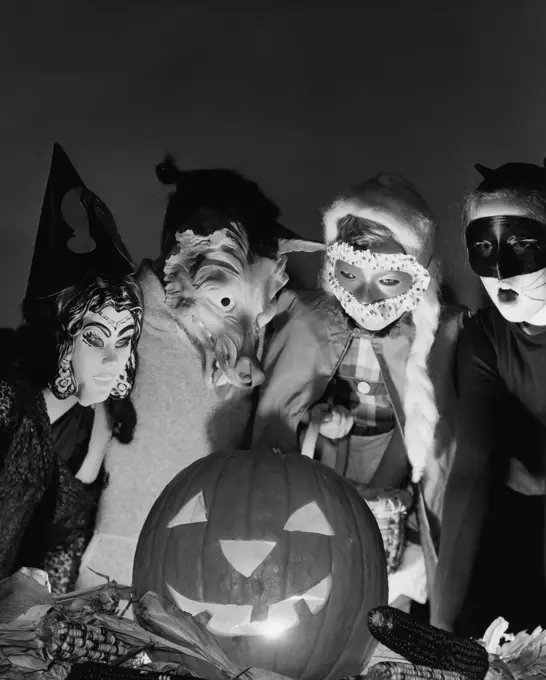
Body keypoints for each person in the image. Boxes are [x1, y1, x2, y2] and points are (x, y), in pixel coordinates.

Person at [77, 156, 322, 589]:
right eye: (225, 302)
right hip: (113, 553)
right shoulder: (122, 319)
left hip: (203, 558)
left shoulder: (268, 329)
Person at [252, 173, 464, 609]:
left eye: (388, 280)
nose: (366, 296)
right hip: (325, 461)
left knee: (384, 584)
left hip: (391, 470)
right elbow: (283, 409)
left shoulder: (437, 337)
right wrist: (315, 418)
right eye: (351, 274)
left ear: (417, 277)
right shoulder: (307, 320)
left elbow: (432, 439)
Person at [0, 143, 143, 594]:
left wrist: (43, 603)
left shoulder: (95, 430)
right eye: (96, 339)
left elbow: (65, 537)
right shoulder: (5, 393)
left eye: (123, 342)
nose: (110, 359)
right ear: (58, 333)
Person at [432, 159, 546, 636]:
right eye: (483, 245)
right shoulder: (485, 337)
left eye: (520, 241)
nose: (499, 267)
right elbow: (470, 476)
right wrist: (438, 632)